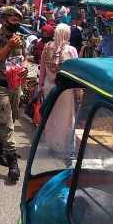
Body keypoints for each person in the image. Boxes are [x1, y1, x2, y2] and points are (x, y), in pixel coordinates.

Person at [0, 6, 28, 181]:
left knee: (9, 118)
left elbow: (25, 57)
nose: (17, 24)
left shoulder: (20, 39)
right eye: (14, 20)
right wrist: (8, 46)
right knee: (7, 122)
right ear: (4, 20)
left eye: (19, 21)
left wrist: (24, 68)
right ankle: (12, 160)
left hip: (15, 85)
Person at [38, 23, 78, 158]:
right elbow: (76, 72)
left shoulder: (46, 47)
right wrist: (79, 92)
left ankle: (52, 145)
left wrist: (39, 87)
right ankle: (64, 148)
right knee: (65, 119)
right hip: (64, 89)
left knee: (51, 117)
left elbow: (42, 69)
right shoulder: (70, 50)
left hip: (48, 87)